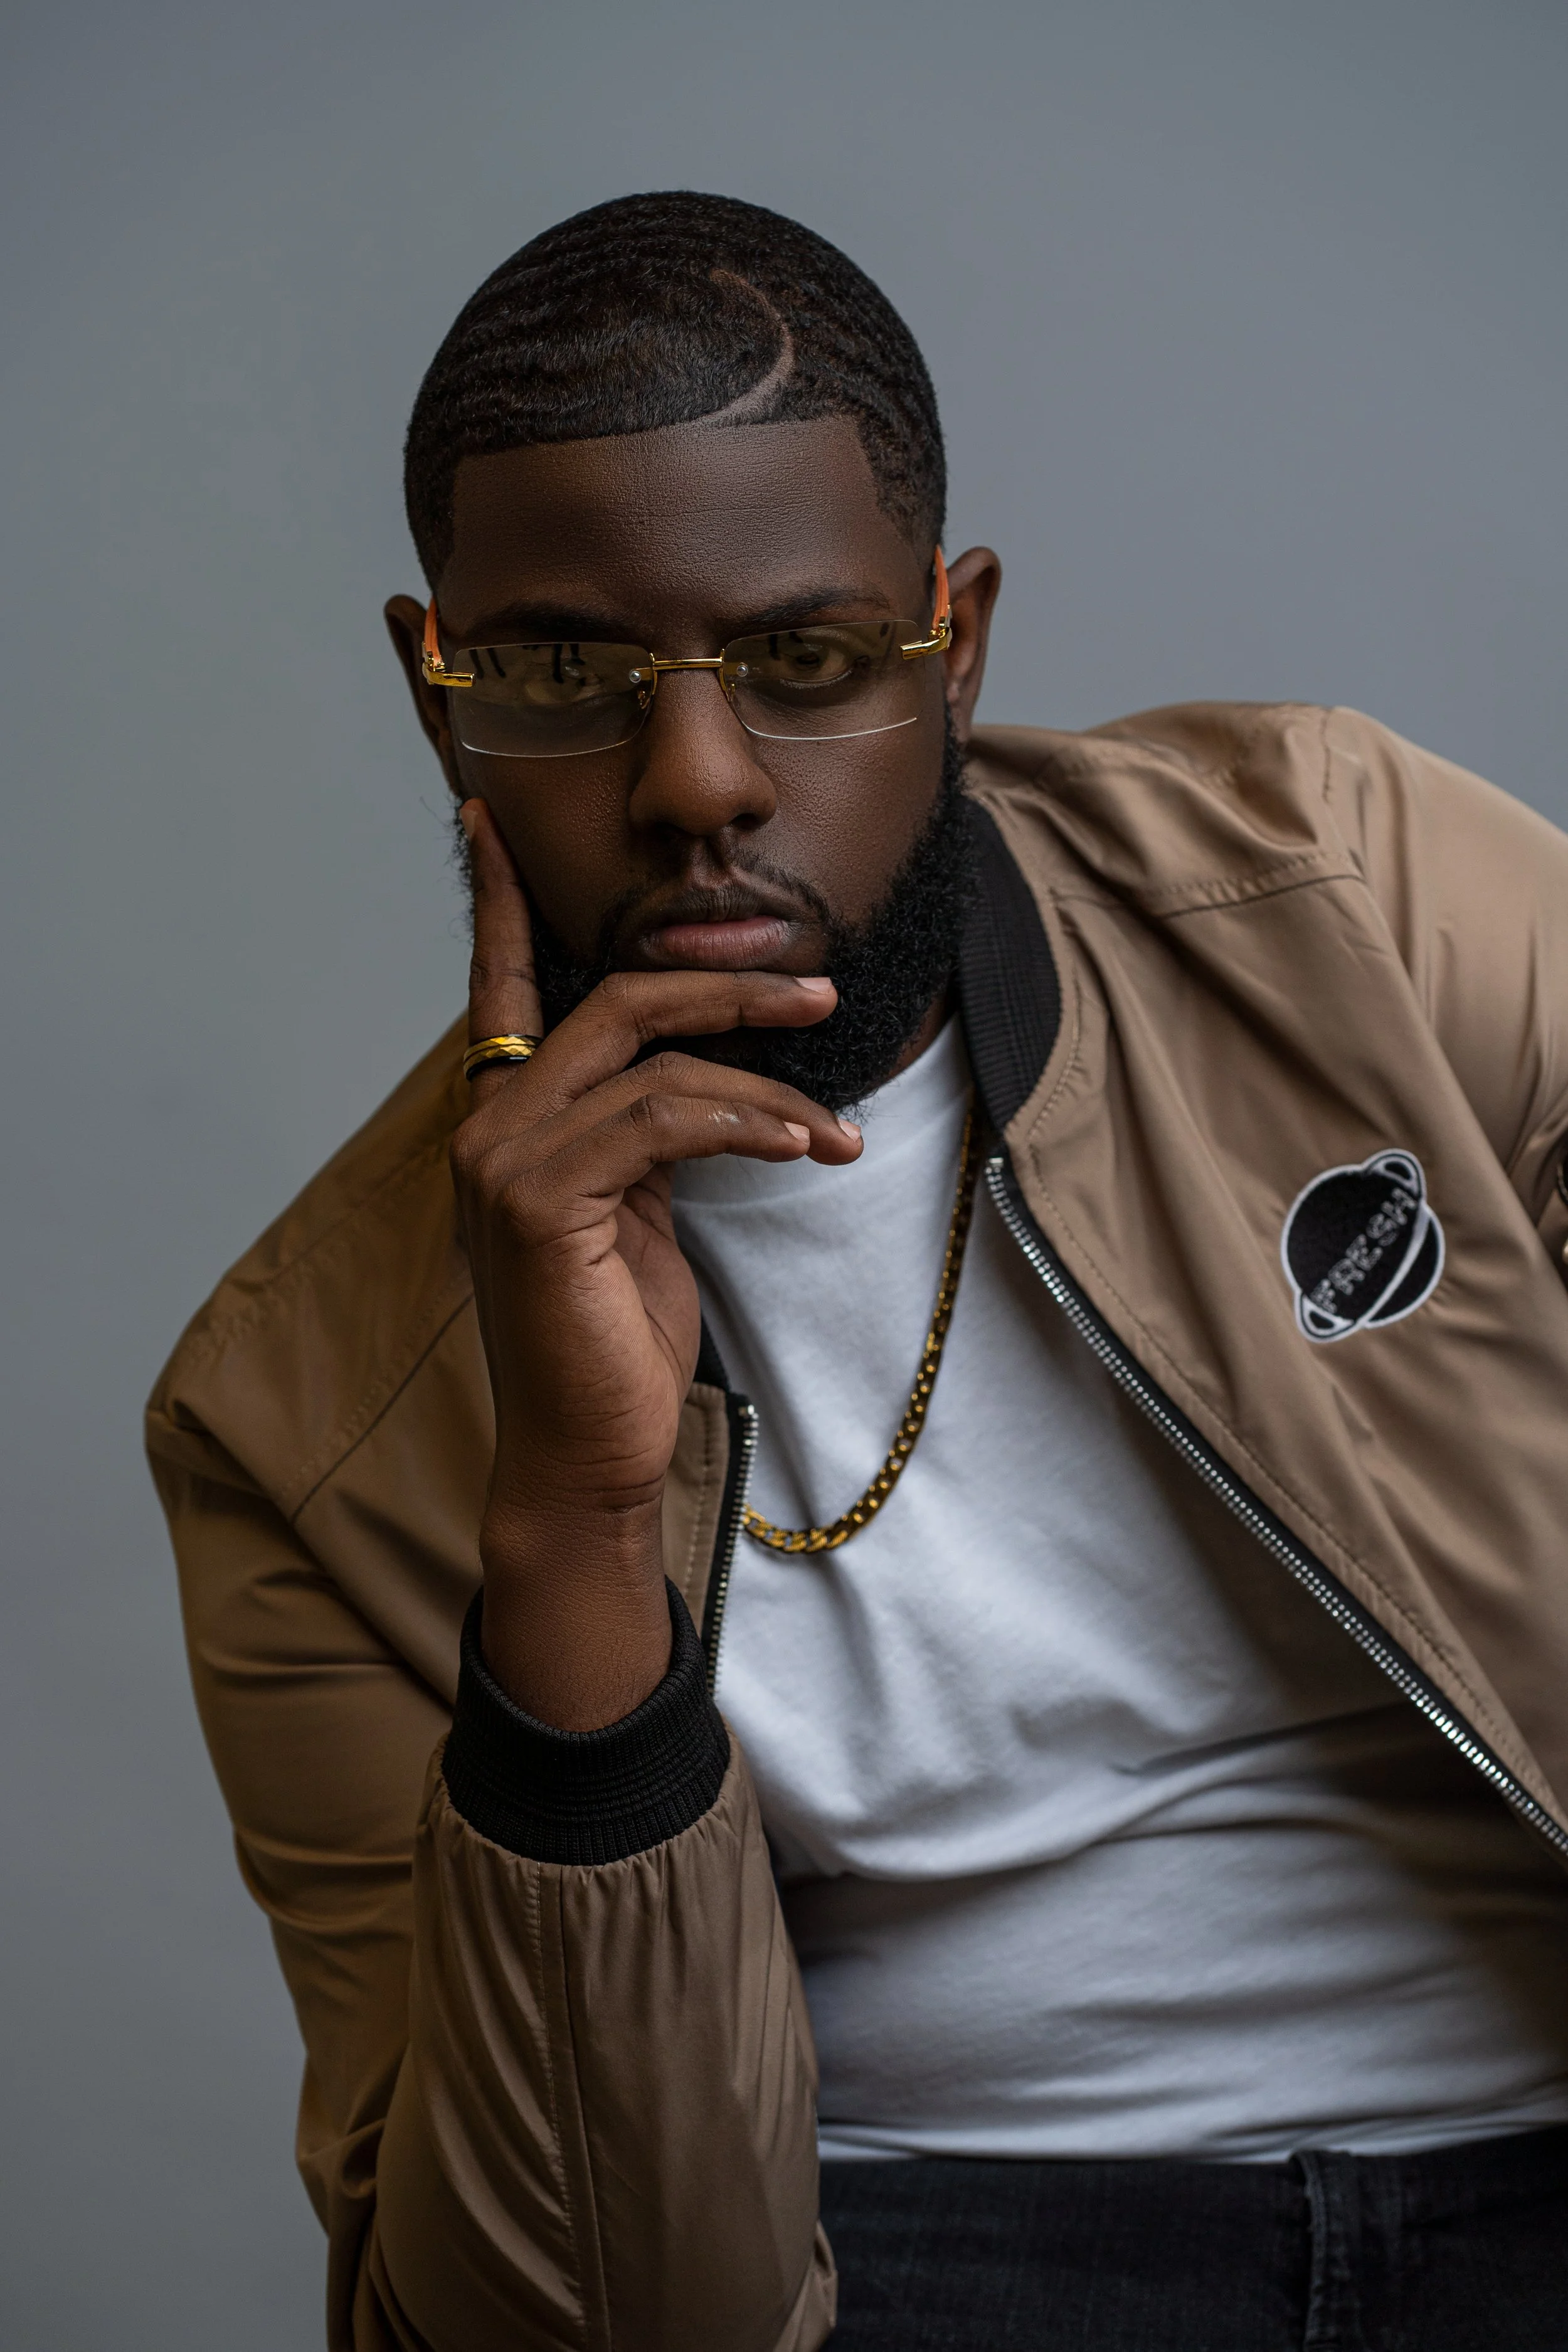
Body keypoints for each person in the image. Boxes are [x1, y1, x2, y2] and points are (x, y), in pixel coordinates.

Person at [147, 190, 1568, 2352]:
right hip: (929, 2253)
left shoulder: (1340, 895)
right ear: (437, 693)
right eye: (557, 675)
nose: (698, 782)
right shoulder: (294, 1416)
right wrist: (572, 1518)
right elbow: (557, 2323)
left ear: (954, 636)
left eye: (807, 662)